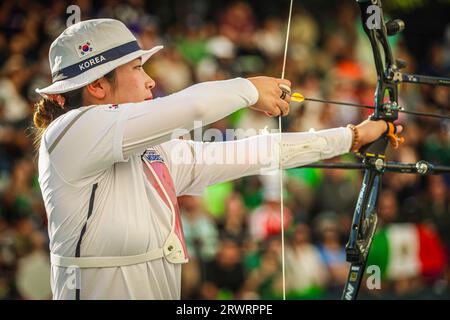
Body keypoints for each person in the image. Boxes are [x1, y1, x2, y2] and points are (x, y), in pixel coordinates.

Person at [33, 18, 400, 299]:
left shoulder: (152, 150)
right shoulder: (67, 134)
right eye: (137, 69)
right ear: (96, 86)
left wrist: (350, 137)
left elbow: (251, 152)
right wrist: (248, 89)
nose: (149, 81)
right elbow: (190, 105)